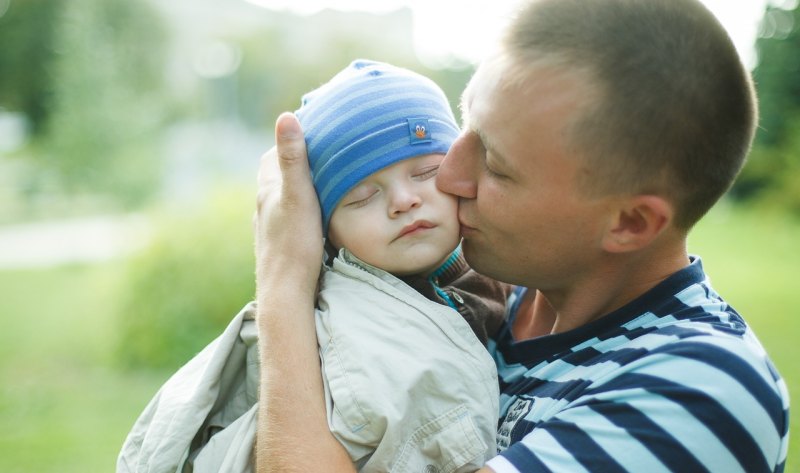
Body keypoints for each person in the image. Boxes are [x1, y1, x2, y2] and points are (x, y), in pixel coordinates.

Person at [253, 0, 790, 472]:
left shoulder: (699, 392)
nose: (448, 177)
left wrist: (282, 278)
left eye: (496, 165)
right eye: (465, 130)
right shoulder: (480, 296)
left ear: (629, 223)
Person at [118, 60, 511, 473]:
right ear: (325, 233)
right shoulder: (335, 328)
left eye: (426, 172)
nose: (403, 200)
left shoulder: (505, 265)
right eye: (362, 196)